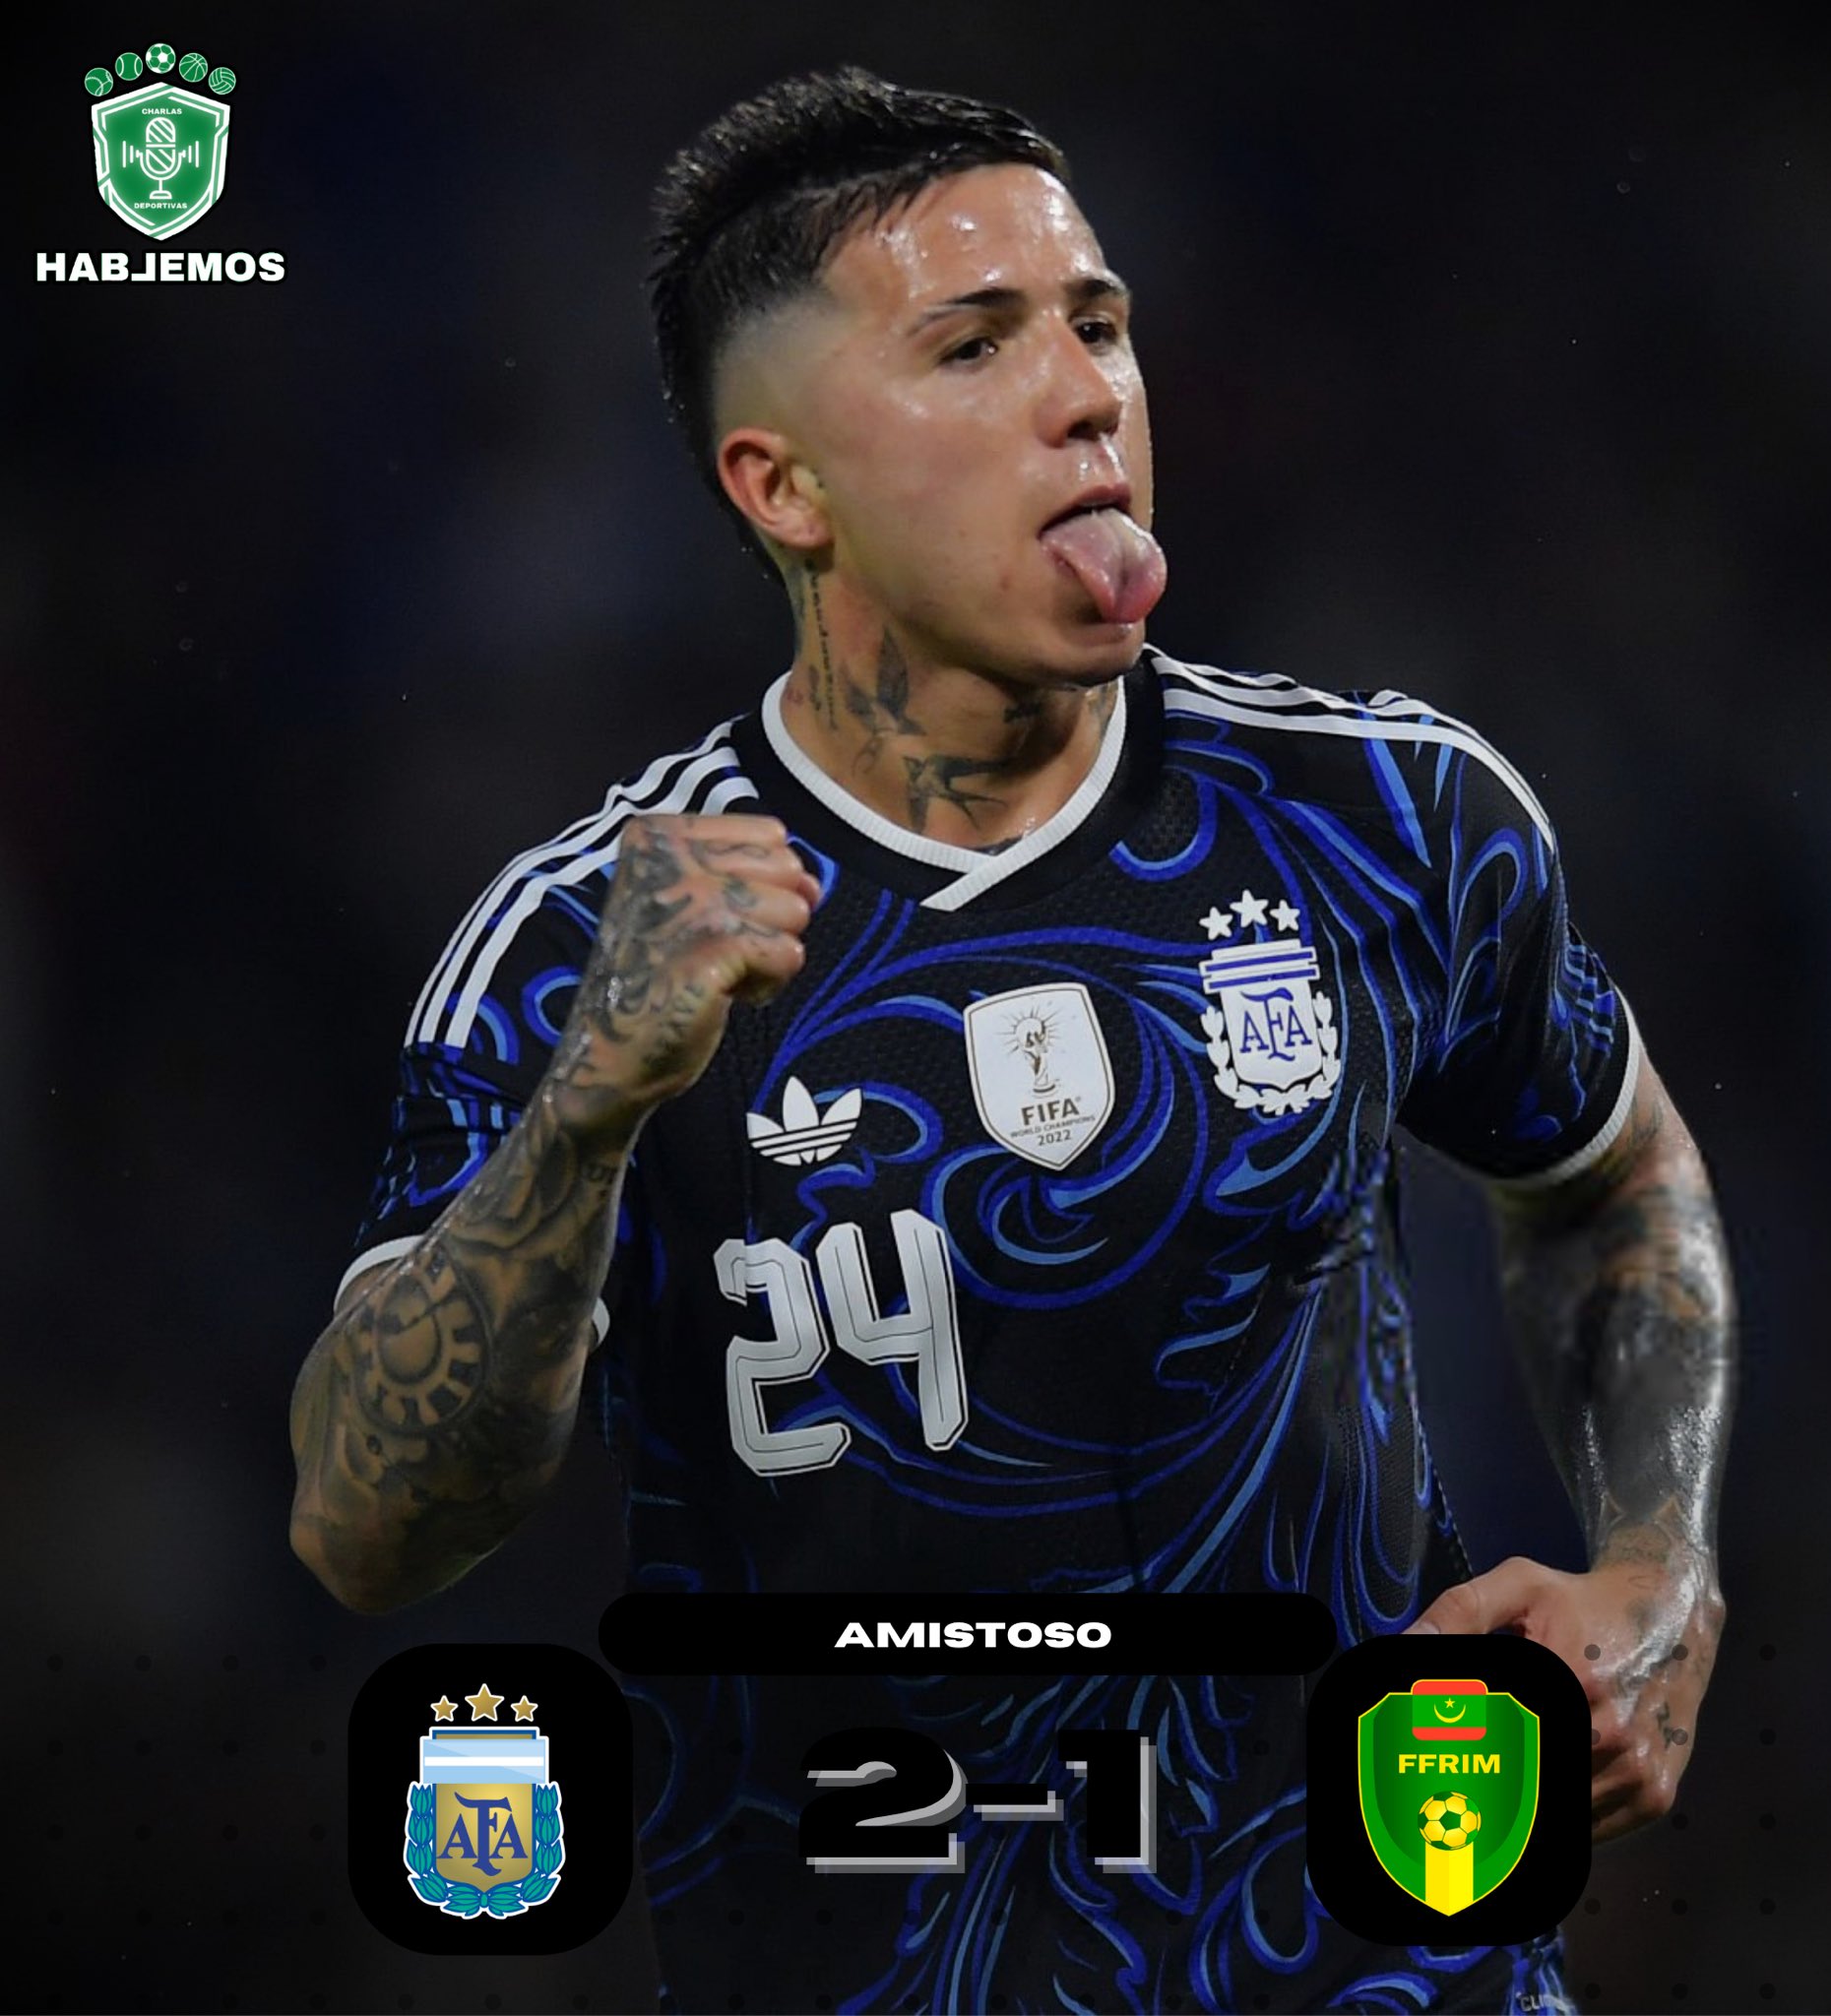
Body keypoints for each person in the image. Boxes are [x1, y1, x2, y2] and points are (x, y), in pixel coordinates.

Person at [288, 67, 1736, 2014]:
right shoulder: (579, 947)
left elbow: (1609, 1172)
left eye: (1098, 325)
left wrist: (1659, 1560)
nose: (1086, 395)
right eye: (974, 346)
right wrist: (587, 1115)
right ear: (781, 487)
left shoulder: (1384, 819)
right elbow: (365, 1522)